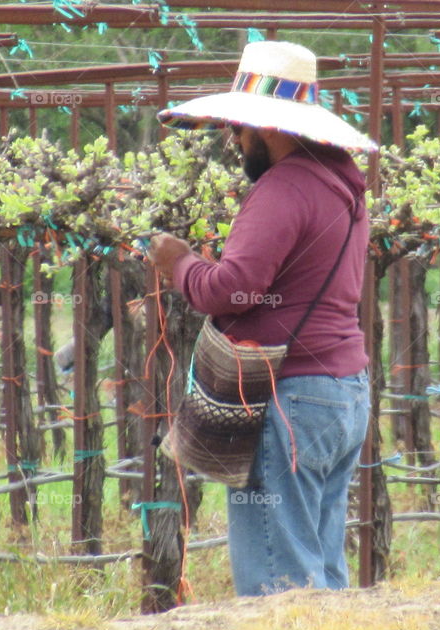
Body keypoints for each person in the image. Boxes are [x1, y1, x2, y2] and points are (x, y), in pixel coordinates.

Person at [148, 40, 375, 596]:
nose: (233, 139)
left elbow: (233, 290)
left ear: (267, 128)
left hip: (289, 396)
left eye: (238, 127)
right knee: (319, 570)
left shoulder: (284, 188)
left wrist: (179, 263)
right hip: (342, 392)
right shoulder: (342, 185)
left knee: (280, 583)